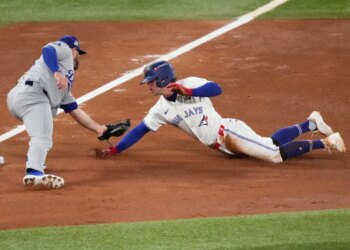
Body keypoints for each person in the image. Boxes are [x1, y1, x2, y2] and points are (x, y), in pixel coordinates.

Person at [99, 60, 346, 162]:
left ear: (163, 80)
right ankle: (311, 124)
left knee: (273, 154)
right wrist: (114, 148)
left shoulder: (192, 84)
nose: (149, 87)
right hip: (222, 146)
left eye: (151, 82)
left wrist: (189, 92)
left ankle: (326, 143)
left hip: (228, 131)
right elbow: (140, 130)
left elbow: (216, 89)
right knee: (268, 142)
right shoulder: (160, 109)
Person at [7, 35, 107, 189]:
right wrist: (56, 72)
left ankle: (36, 160)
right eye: (78, 54)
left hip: (20, 97)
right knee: (42, 137)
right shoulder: (65, 50)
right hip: (33, 95)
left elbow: (74, 109)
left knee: (48, 113)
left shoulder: (64, 86)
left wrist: (99, 129)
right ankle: (35, 172)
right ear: (74, 51)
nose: (78, 58)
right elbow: (48, 49)